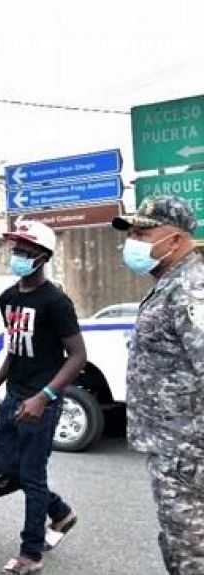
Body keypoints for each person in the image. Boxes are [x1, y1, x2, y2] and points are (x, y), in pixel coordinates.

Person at [0, 219, 85, 575]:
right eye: (16, 249)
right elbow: (15, 348)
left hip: (43, 401)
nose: (19, 256)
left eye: (27, 251)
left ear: (43, 257)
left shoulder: (56, 301)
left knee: (32, 474)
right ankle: (61, 513)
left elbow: (78, 356)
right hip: (13, 396)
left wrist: (45, 396)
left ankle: (31, 553)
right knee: (10, 469)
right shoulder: (8, 298)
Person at [112, 195, 204, 575]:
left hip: (189, 453)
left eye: (143, 231)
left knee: (190, 554)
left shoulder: (190, 288)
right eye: (131, 232)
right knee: (179, 544)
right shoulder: (171, 283)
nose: (133, 240)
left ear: (178, 239)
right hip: (176, 448)